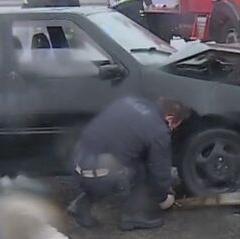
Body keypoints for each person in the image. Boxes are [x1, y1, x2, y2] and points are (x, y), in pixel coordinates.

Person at [68, 97, 190, 231]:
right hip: (96, 172)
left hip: (77, 160)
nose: (173, 129)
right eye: (175, 125)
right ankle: (133, 216)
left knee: (130, 157)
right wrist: (163, 196)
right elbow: (159, 172)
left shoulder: (130, 101)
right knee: (144, 170)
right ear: (170, 118)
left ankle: (81, 204)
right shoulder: (158, 131)